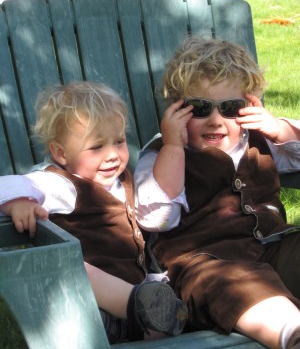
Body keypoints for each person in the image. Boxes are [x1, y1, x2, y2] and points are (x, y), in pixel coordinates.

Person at [134, 36, 300, 349]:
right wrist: (172, 147)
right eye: (200, 108)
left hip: (273, 248)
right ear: (177, 109)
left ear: (248, 107)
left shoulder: (260, 139)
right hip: (204, 267)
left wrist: (279, 129)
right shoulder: (160, 154)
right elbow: (157, 218)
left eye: (230, 108)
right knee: (233, 285)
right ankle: (291, 333)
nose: (216, 120)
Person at [0, 81, 187, 343]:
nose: (112, 155)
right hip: (87, 301)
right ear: (60, 153)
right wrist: (19, 202)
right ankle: (144, 310)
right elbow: (6, 185)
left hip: (135, 293)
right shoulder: (60, 183)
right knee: (77, 266)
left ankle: (154, 315)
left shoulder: (120, 180)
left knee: (160, 325)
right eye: (96, 147)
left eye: (119, 141)